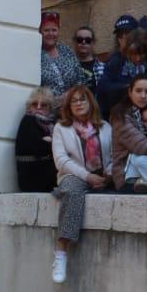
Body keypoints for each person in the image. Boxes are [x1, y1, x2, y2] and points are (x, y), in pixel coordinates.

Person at [50, 84, 112, 282]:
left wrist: (109, 173)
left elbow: (114, 156)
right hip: (74, 175)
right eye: (73, 101)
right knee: (72, 192)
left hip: (103, 177)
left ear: (90, 102)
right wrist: (87, 176)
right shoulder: (61, 128)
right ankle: (61, 253)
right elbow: (61, 161)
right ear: (68, 106)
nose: (78, 104)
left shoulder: (105, 127)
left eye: (82, 99)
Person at [98, 16, 147, 117]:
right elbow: (103, 87)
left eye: (128, 33)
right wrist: (129, 87)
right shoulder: (115, 60)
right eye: (120, 35)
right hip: (120, 112)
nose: (124, 38)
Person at [15, 87, 58, 191]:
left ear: (50, 108)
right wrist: (53, 142)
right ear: (29, 106)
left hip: (46, 174)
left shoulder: (53, 124)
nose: (38, 107)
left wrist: (50, 141)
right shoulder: (28, 120)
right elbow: (38, 147)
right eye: (34, 104)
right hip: (32, 177)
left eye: (43, 105)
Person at [39, 10, 82, 97]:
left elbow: (80, 79)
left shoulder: (67, 51)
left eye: (54, 30)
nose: (51, 33)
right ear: (40, 32)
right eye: (46, 30)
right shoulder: (36, 55)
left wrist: (68, 96)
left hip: (72, 102)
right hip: (48, 104)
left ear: (58, 31)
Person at [71, 25, 105, 92]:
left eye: (88, 40)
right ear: (74, 42)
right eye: (79, 40)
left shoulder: (103, 68)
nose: (83, 42)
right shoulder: (68, 67)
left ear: (93, 42)